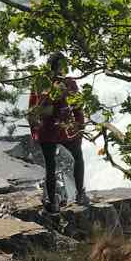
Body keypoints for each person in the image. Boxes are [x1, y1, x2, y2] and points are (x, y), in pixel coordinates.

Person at [29, 51, 90, 213]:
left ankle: (52, 202)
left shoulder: (40, 83)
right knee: (78, 157)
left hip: (46, 130)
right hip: (65, 129)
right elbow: (78, 108)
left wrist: (34, 132)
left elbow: (32, 109)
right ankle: (80, 194)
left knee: (50, 166)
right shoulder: (69, 83)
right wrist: (79, 127)